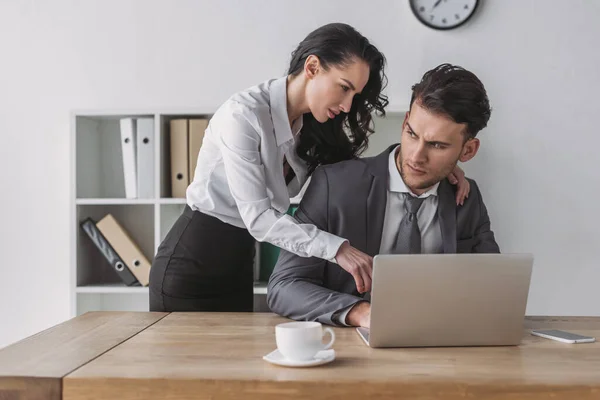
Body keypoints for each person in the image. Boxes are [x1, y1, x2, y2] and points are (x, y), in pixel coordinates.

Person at [149, 23, 468, 312]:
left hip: (240, 265)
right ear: (312, 67)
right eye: (344, 88)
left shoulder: (310, 125)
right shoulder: (242, 116)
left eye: (354, 95)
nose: (347, 105)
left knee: (234, 374)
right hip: (191, 266)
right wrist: (338, 249)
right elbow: (259, 219)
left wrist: (432, 169)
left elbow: (357, 174)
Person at [267, 63, 500, 327]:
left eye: (437, 145)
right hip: (352, 350)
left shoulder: (466, 198)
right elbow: (285, 286)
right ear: (405, 122)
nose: (416, 156)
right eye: (412, 134)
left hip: (440, 350)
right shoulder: (335, 184)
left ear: (467, 151)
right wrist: (361, 312)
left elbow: (492, 291)